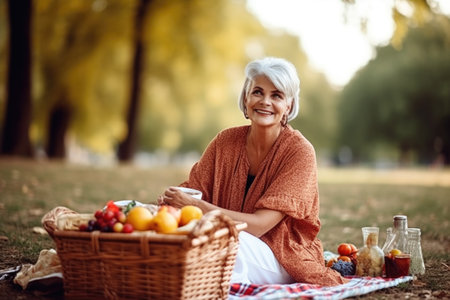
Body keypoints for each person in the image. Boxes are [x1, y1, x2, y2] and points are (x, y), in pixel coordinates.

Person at [159, 57, 347, 286]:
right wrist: (167, 206)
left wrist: (198, 207)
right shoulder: (225, 141)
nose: (265, 101)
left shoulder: (300, 152)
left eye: (276, 95)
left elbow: (258, 225)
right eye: (258, 92)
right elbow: (193, 190)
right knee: (157, 222)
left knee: (224, 243)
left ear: (288, 105)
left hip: (279, 256)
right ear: (246, 98)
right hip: (227, 241)